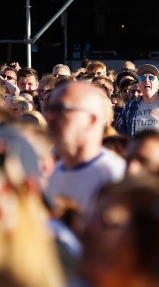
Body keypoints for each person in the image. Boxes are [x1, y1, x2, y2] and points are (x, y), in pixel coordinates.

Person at [43, 81, 126, 215]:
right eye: (49, 109)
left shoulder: (114, 175)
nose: (49, 117)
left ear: (91, 119)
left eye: (60, 109)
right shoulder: (51, 173)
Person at [115, 64, 159, 137]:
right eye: (142, 78)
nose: (147, 80)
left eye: (151, 78)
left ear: (158, 85)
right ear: (139, 84)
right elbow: (123, 136)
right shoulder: (129, 107)